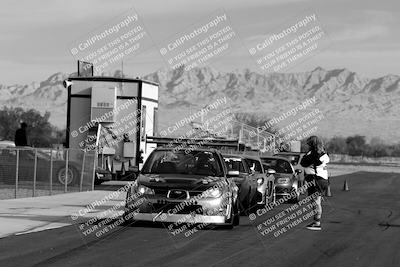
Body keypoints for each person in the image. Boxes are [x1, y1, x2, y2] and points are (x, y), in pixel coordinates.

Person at [300, 135, 329, 231]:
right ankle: (316, 222)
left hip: (316, 180)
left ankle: (317, 223)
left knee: (316, 202)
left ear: (312, 144)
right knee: (316, 201)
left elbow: (303, 162)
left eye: (308, 144)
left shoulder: (313, 154)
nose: (307, 146)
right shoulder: (323, 153)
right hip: (322, 180)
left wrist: (308, 155)